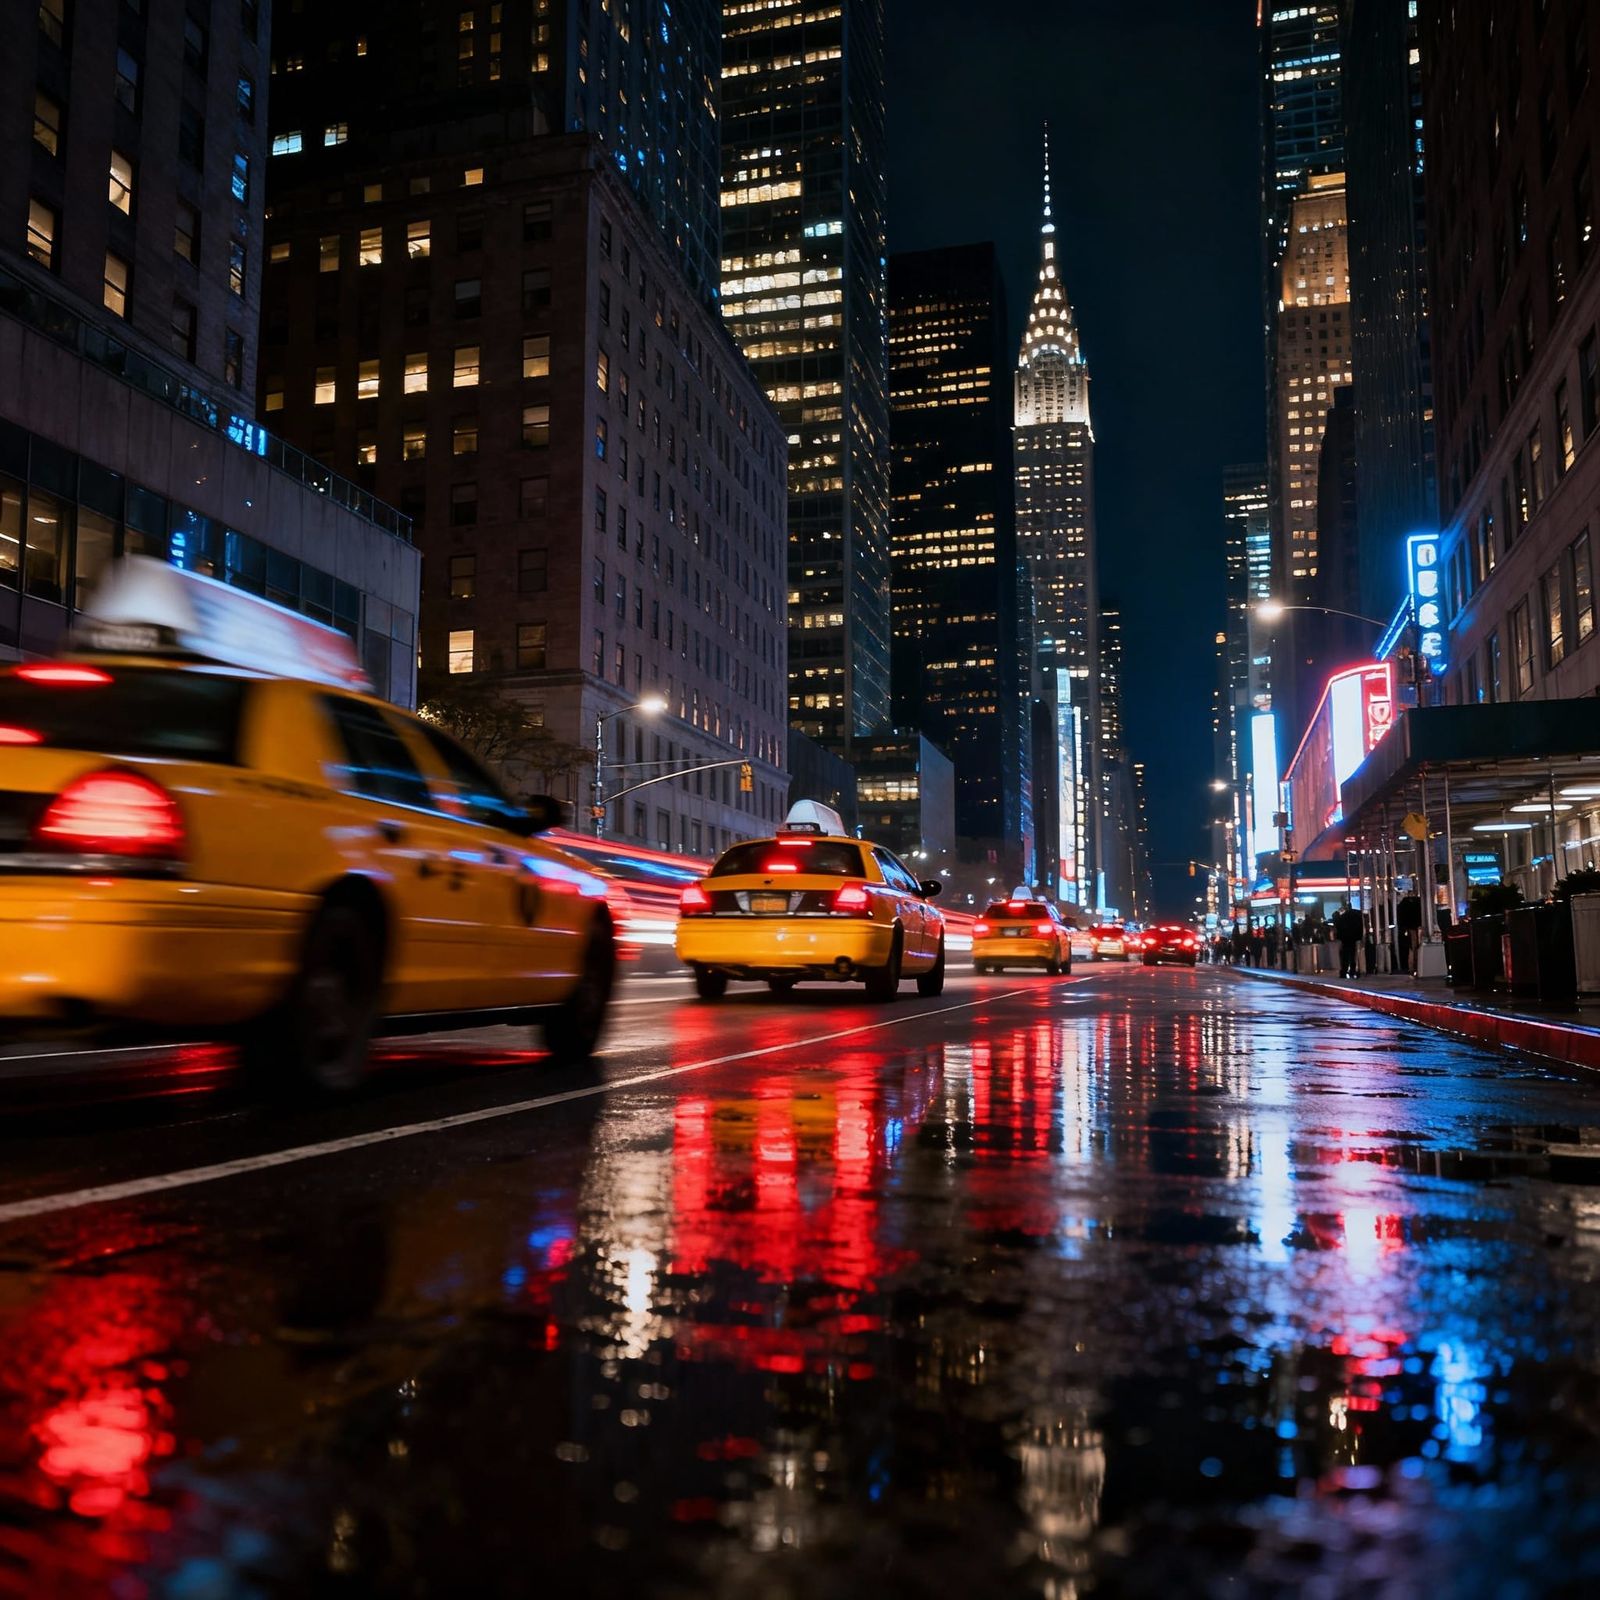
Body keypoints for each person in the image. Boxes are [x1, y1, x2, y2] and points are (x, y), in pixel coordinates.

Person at [1333, 899, 1364, 979]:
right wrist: (1359, 937)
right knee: (1353, 955)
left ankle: (1344, 971)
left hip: (1345, 939)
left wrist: (1339, 937)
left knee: (1345, 956)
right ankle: (1353, 971)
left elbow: (1338, 927)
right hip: (1353, 938)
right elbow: (1360, 926)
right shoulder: (1357, 915)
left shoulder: (1343, 917)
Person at [1396, 892, 1423, 975]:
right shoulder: (1419, 902)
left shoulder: (1403, 904)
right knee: (1417, 947)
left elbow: (1400, 918)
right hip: (1418, 927)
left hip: (1409, 928)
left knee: (1411, 948)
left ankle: (1412, 967)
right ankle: (1416, 966)